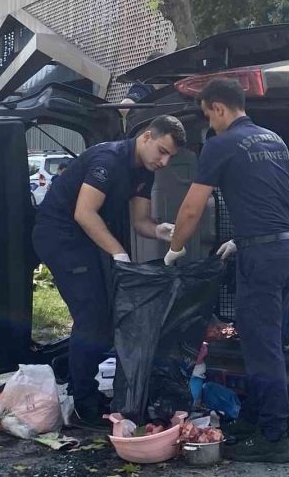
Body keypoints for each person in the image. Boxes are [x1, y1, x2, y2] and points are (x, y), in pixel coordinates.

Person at [166, 79, 289, 463]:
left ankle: (275, 439)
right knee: (265, 340)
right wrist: (241, 241)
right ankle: (259, 421)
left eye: (208, 115)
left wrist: (174, 249)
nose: (209, 124)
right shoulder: (273, 139)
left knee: (263, 348)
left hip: (263, 256)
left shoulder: (220, 144)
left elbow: (192, 208)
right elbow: (268, 198)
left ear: (219, 108)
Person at [32, 115, 185, 431]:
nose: (164, 161)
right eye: (162, 150)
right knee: (92, 317)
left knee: (106, 316)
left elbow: (141, 220)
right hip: (62, 237)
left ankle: (77, 377)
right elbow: (84, 213)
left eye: (171, 156)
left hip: (88, 240)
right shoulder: (108, 159)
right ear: (145, 136)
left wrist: (161, 231)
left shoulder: (145, 171)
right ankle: (82, 403)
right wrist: (118, 253)